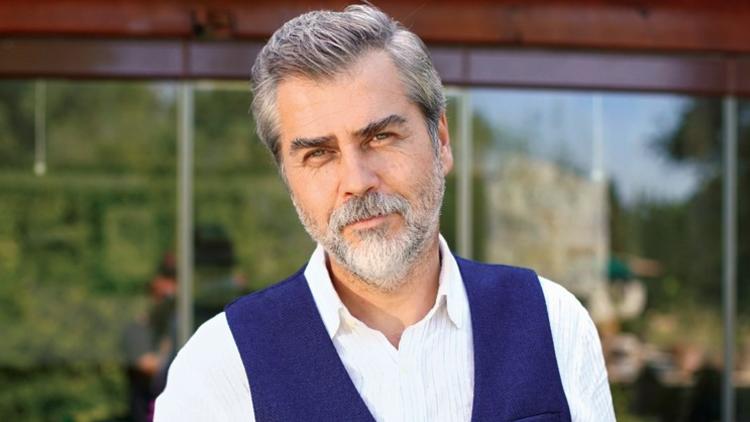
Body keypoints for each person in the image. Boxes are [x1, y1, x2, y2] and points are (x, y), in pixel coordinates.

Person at [155, 5, 615, 421]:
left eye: (380, 137)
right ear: (288, 177)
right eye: (318, 153)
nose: (357, 181)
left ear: (441, 141)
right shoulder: (219, 369)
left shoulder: (553, 322)